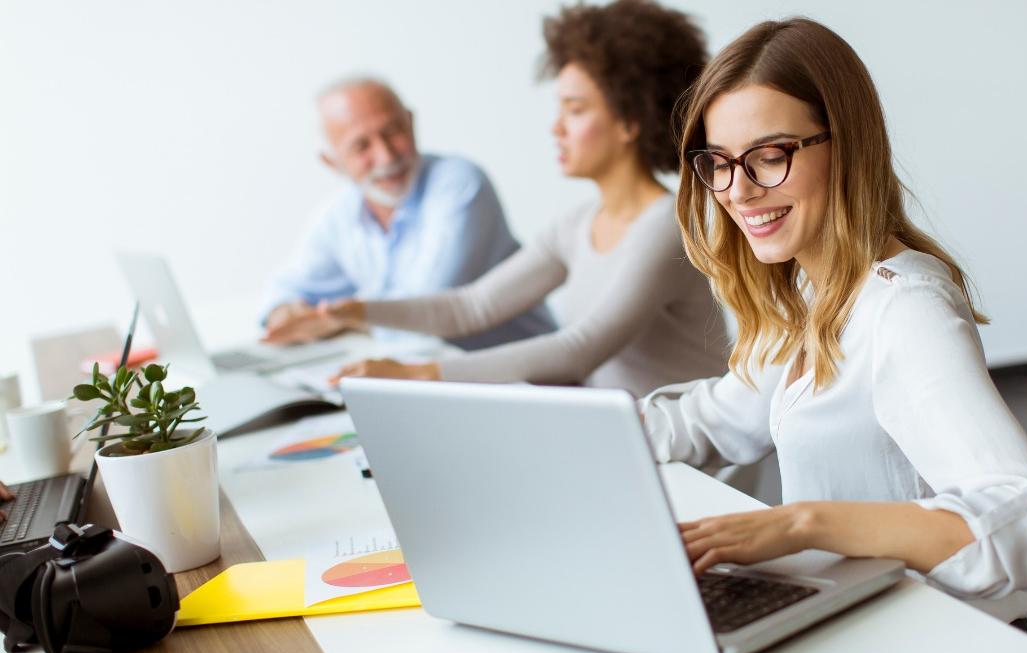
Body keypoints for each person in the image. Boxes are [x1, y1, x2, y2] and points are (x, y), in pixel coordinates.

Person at [640, 18, 1027, 626]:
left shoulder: (906, 310)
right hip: (866, 617)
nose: (738, 191)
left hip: (934, 639)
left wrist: (802, 523)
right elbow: (709, 422)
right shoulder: (811, 297)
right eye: (718, 161)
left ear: (845, 145)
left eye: (770, 155)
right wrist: (571, 437)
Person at [323, 0, 729, 397]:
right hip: (631, 440)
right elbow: (470, 307)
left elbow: (578, 350)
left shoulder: (666, 226)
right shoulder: (576, 225)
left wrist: (421, 374)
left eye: (574, 110)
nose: (556, 128)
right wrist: (353, 311)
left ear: (630, 121)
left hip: (693, 460)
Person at [260, 78, 556, 350]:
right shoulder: (339, 215)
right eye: (361, 146)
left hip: (524, 381)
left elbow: (426, 312)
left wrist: (341, 319)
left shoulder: (460, 183)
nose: (387, 156)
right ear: (331, 161)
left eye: (393, 132)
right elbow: (284, 291)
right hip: (429, 378)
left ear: (411, 123)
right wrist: (285, 311)